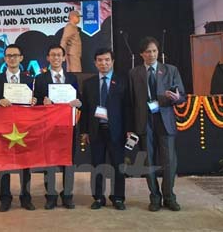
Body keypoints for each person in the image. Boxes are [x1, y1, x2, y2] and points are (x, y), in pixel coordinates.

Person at [128, 36, 186, 212]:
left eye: (154, 51)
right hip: (145, 122)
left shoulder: (170, 70)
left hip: (165, 120)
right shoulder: (134, 73)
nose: (151, 54)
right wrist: (131, 128)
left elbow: (182, 95)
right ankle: (154, 197)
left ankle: (169, 197)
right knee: (149, 161)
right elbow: (131, 102)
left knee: (169, 161)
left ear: (158, 52)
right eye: (147, 51)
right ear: (141, 54)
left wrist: (177, 98)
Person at [81, 48, 129, 210]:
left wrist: (129, 129)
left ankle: (118, 198)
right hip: (96, 131)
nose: (104, 63)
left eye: (107, 60)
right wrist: (84, 131)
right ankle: (98, 197)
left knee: (118, 165)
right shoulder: (88, 83)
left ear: (112, 61)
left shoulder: (123, 81)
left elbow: (128, 107)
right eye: (100, 60)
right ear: (95, 63)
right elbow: (86, 109)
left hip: (117, 131)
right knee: (97, 165)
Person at [34, 44, 81, 210]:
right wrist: (42, 103)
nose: (55, 58)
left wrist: (77, 103)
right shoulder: (40, 79)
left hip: (68, 126)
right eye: (52, 55)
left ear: (63, 58)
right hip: (49, 128)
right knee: (50, 162)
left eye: (59, 55)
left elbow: (79, 101)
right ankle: (51, 195)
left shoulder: (72, 78)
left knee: (68, 161)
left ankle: (67, 194)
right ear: (47, 58)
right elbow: (35, 104)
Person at [0, 44, 36, 212]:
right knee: (4, 163)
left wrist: (34, 102)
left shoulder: (30, 79)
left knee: (25, 163)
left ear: (21, 58)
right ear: (5, 58)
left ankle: (26, 197)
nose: (12, 59)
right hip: (3, 127)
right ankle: (5, 198)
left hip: (23, 127)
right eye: (8, 56)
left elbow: (35, 101)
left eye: (15, 55)